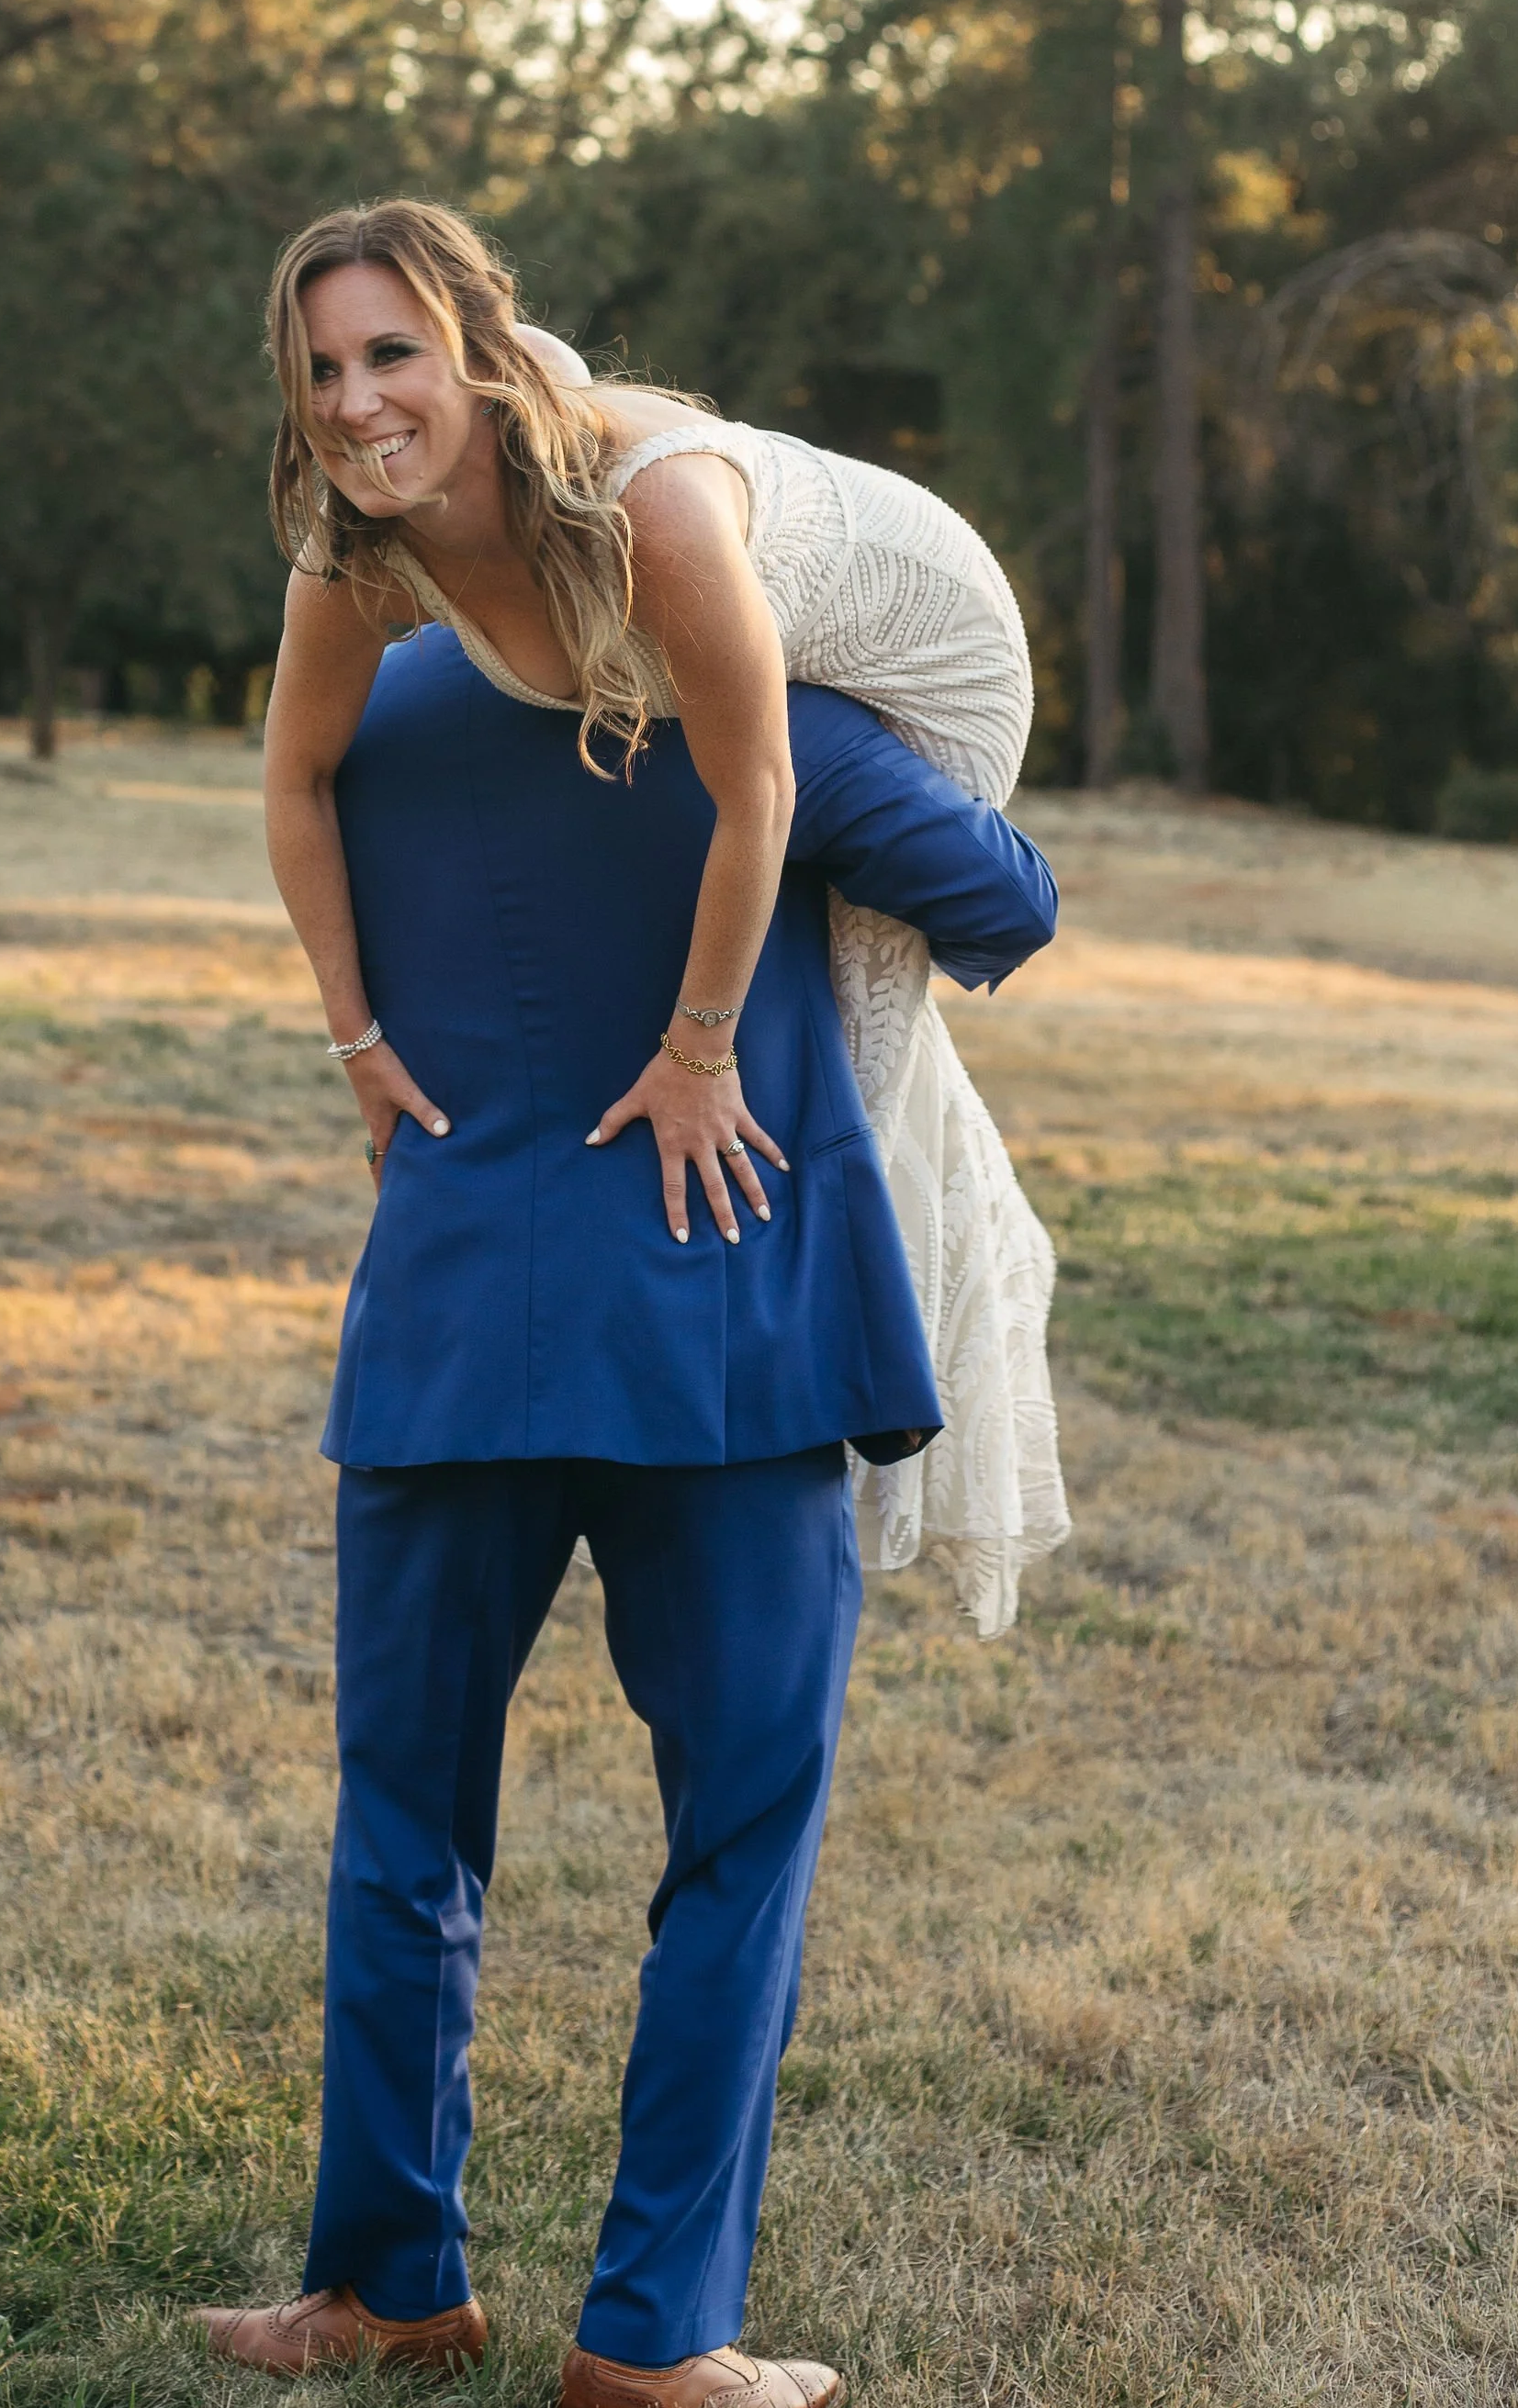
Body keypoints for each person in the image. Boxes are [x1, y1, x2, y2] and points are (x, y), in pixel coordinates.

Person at [199, 605, 1058, 2408]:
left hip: (451, 1322)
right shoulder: (768, 716)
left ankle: (385, 2286)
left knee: (403, 1820)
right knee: (736, 1842)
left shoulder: (378, 705)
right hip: (720, 1336)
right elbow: (1006, 904)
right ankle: (651, 2333)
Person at [255, 201, 1067, 1641]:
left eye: (390, 354)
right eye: (321, 368)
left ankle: (851, 1334)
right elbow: (294, 775)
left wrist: (697, 1051)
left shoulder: (654, 512)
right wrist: (356, 1037)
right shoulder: (359, 549)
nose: (352, 401)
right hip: (659, 615)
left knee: (857, 1028)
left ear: (484, 354)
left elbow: (763, 791)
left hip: (912, 635)